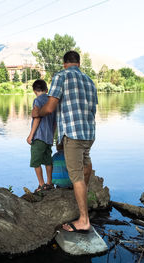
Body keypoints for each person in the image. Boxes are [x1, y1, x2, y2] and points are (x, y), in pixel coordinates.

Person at [32, 51, 98, 233]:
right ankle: (81, 196)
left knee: (75, 175)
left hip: (73, 133)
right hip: (89, 132)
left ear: (64, 63)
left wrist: (38, 112)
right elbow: (93, 109)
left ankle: (84, 220)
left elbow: (51, 106)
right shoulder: (89, 81)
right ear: (78, 63)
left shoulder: (61, 76)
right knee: (85, 164)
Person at [27, 79, 56, 192]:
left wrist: (30, 135)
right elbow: (54, 122)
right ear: (46, 90)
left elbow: (37, 118)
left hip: (39, 137)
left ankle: (41, 184)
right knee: (48, 160)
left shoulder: (37, 100)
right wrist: (52, 135)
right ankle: (49, 183)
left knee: (36, 161)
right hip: (49, 137)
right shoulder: (52, 101)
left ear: (34, 91)